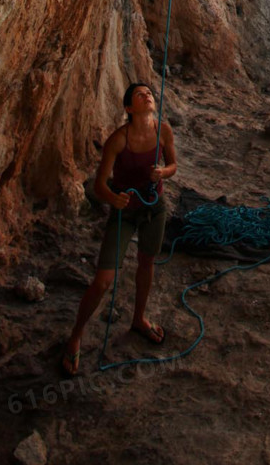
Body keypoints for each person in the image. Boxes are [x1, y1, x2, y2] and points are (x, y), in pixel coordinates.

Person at [62, 82, 177, 375]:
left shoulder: (163, 130)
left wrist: (162, 172)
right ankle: (75, 336)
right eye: (140, 94)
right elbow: (100, 184)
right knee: (102, 280)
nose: (147, 95)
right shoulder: (118, 140)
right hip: (125, 213)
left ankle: (139, 319)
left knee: (146, 263)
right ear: (129, 108)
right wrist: (114, 198)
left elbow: (173, 164)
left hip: (155, 207)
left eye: (149, 92)